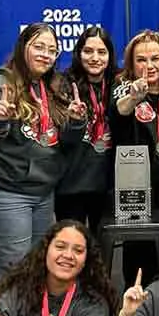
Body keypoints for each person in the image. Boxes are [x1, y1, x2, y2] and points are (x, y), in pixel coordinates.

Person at [0, 23, 88, 285]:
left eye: (52, 50)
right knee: (13, 272)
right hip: (6, 192)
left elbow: (65, 143)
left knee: (39, 270)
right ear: (22, 47)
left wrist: (75, 122)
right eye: (39, 47)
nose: (45, 55)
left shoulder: (54, 87)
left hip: (43, 193)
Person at [110, 30, 159, 220]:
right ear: (131, 64)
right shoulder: (124, 88)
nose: (149, 65)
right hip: (135, 185)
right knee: (140, 247)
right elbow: (121, 108)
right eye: (141, 60)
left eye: (155, 58)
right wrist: (134, 99)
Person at [56, 26, 118, 237]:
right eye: (88, 51)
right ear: (78, 53)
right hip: (71, 186)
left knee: (101, 251)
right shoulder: (63, 85)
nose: (95, 58)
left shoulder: (118, 84)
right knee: (72, 248)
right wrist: (73, 120)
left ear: (110, 55)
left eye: (102, 52)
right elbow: (62, 141)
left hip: (107, 186)